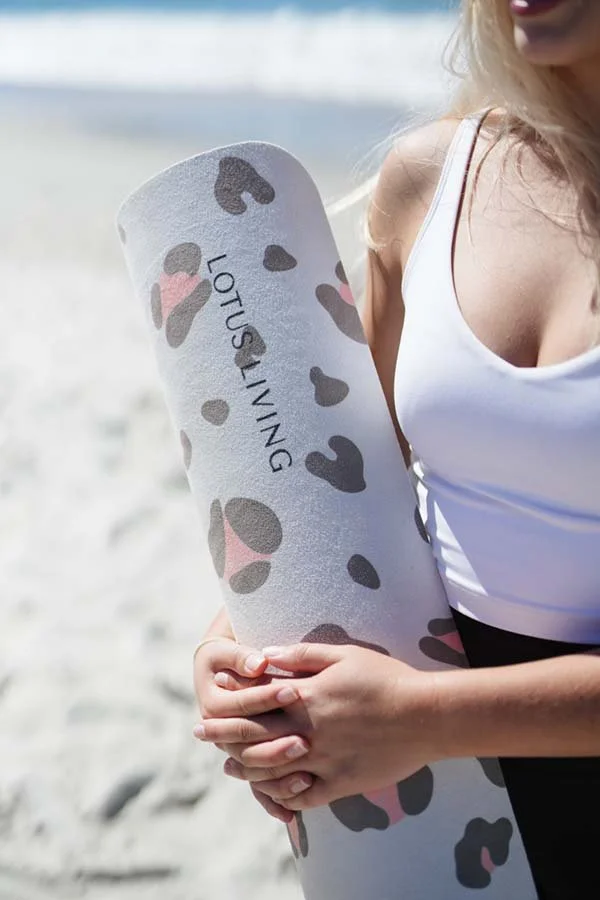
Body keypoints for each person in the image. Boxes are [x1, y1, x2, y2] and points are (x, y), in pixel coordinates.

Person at [192, 1, 600, 896]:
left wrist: (425, 715)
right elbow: (344, 491)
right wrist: (243, 659)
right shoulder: (432, 177)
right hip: (436, 816)